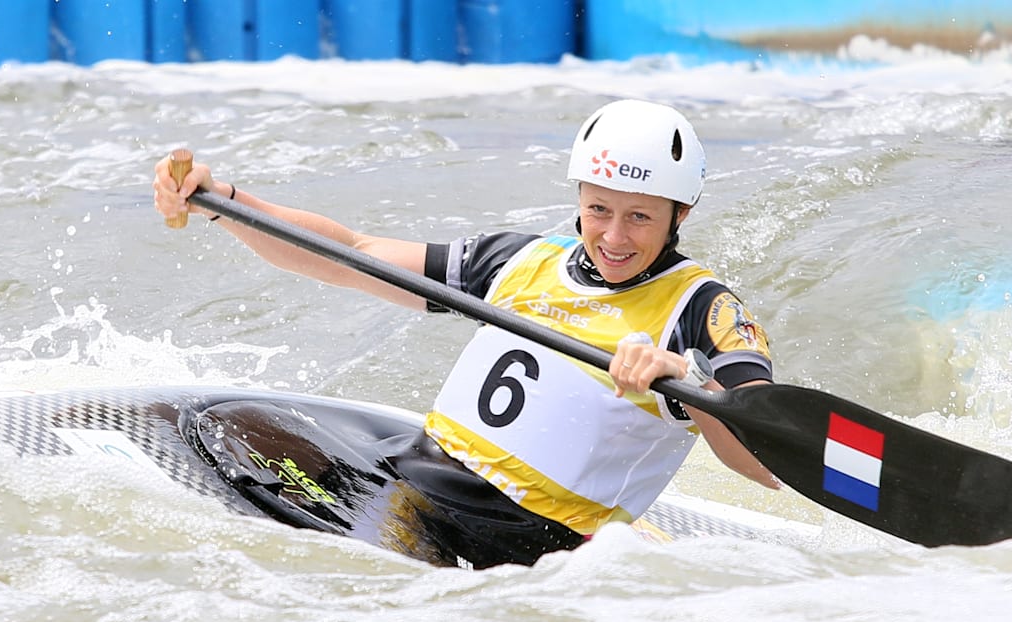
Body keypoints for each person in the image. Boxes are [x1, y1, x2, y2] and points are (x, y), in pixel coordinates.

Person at [152, 99, 777, 568]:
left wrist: (689, 384)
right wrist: (222, 201)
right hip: (417, 473)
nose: (614, 237)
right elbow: (351, 253)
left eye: (639, 217)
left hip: (528, 537)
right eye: (598, 210)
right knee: (233, 429)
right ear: (579, 197)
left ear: (680, 215)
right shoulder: (523, 261)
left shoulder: (706, 312)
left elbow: (765, 463)